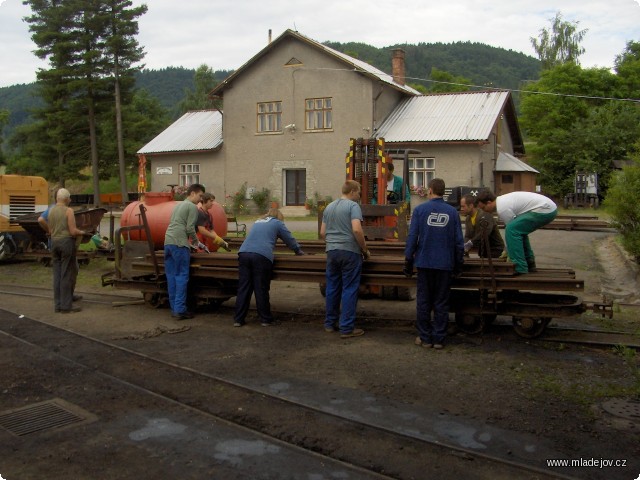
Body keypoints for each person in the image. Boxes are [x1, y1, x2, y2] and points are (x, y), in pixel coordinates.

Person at [404, 178, 464, 349]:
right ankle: (438, 339)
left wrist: (408, 261)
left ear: (430, 190)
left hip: (424, 263)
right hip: (445, 265)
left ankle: (425, 338)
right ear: (443, 191)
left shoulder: (420, 210)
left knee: (423, 302)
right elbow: (458, 243)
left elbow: (412, 237)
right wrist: (458, 265)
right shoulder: (452, 213)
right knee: (441, 302)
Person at [233, 208, 305, 327]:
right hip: (261, 256)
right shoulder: (277, 223)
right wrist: (298, 251)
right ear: (279, 216)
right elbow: (289, 239)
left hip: (244, 253)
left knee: (244, 288)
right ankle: (265, 319)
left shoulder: (258, 221)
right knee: (261, 288)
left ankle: (238, 319)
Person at [320, 180, 370, 338]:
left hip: (332, 252)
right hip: (349, 252)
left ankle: (329, 323)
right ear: (353, 191)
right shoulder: (353, 206)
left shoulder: (329, 207)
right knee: (349, 288)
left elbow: (322, 233)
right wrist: (364, 249)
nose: (359, 195)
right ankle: (347, 328)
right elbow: (356, 229)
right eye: (359, 191)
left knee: (332, 287)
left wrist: (333, 243)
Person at [476, 190, 558, 275]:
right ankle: (529, 263)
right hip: (548, 208)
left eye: (483, 208)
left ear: (489, 202)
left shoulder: (502, 208)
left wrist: (508, 252)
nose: (484, 211)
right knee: (518, 231)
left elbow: (511, 231)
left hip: (544, 210)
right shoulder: (502, 201)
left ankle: (519, 267)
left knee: (512, 229)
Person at [164, 183, 205, 320]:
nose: (200, 199)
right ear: (192, 193)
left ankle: (174, 308)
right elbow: (189, 228)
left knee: (171, 276)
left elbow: (176, 223)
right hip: (180, 244)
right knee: (181, 276)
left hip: (168, 242)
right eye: (200, 196)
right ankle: (180, 310)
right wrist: (196, 242)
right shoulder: (192, 207)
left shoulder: (178, 205)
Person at [45, 188, 86, 313]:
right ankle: (66, 306)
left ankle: (57, 305)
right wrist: (82, 232)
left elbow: (50, 229)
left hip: (54, 243)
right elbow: (73, 231)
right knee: (67, 274)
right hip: (66, 243)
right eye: (69, 198)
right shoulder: (68, 211)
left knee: (57, 275)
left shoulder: (51, 211)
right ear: (67, 199)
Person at [459, 194, 505, 258]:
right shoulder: (468, 219)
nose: (461, 209)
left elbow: (485, 233)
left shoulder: (485, 215)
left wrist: (471, 243)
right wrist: (464, 246)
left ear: (471, 206)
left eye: (463, 206)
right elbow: (468, 236)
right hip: (483, 250)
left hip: (495, 249)